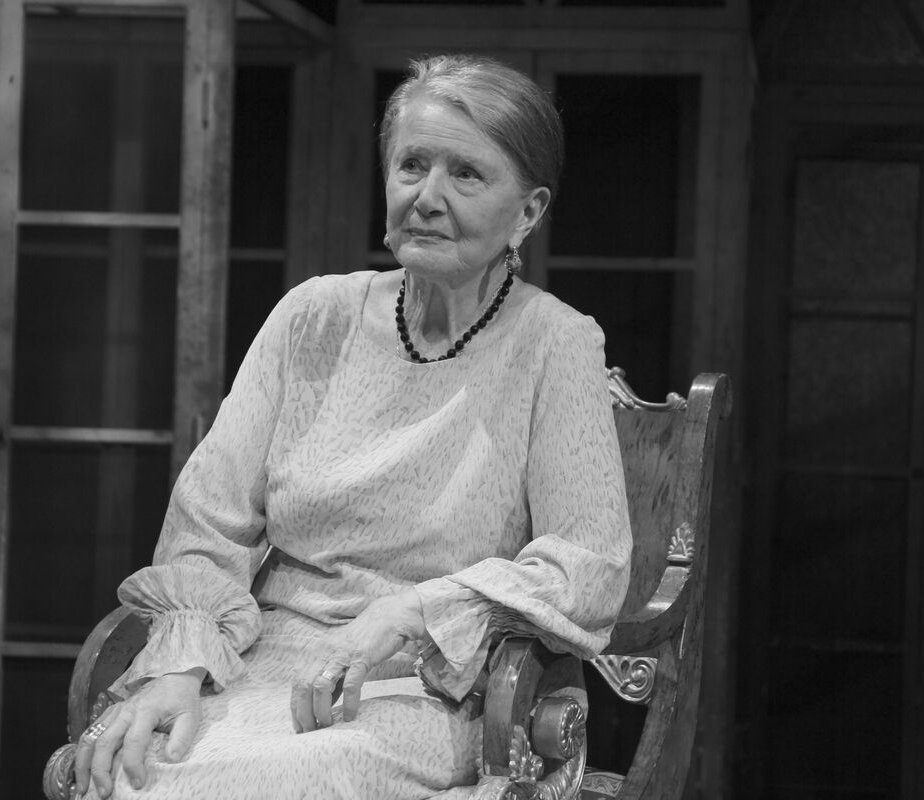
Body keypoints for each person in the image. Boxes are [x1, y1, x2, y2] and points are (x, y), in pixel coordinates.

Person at [73, 53, 631, 800]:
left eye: (466, 174)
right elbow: (209, 522)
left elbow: (587, 569)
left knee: (282, 779)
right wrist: (179, 668)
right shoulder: (313, 316)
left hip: (428, 684)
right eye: (412, 166)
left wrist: (413, 610)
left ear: (527, 212)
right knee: (136, 767)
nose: (427, 197)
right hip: (260, 666)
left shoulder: (554, 343)